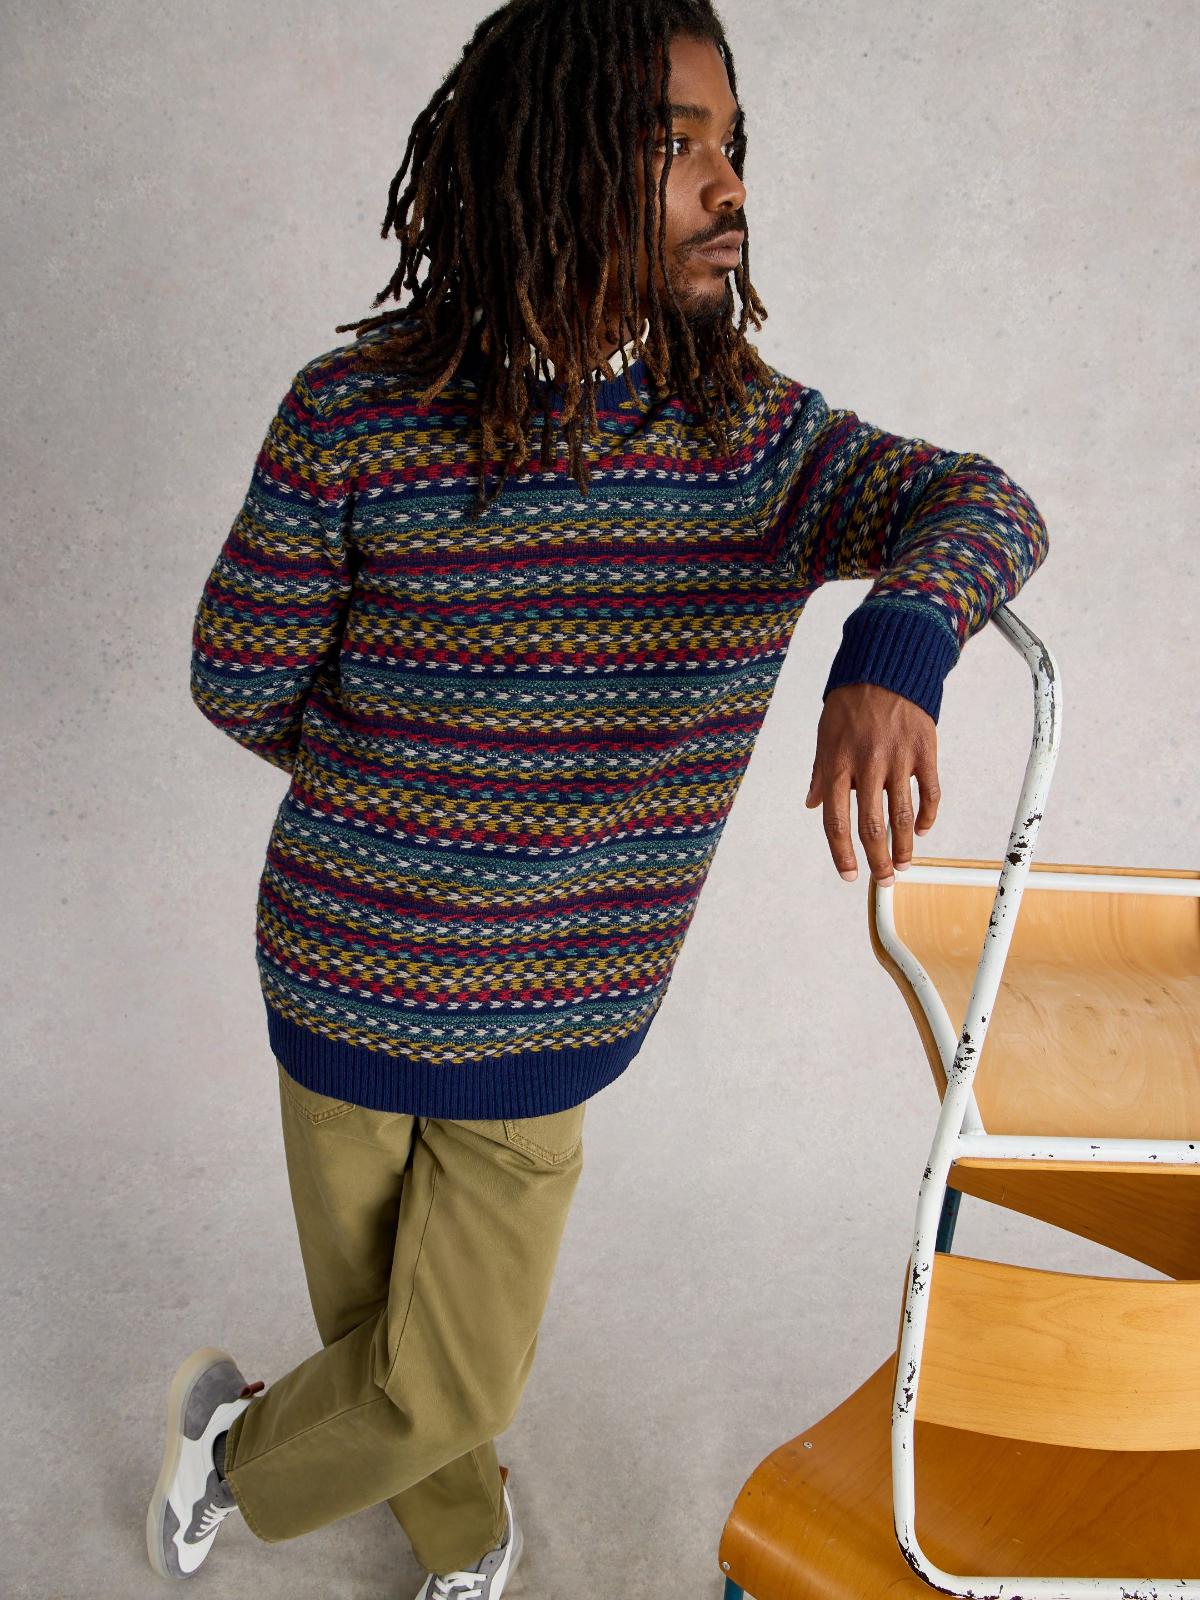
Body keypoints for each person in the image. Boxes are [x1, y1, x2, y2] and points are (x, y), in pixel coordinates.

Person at [147, 1, 1051, 1593]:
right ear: (546, 161)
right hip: (341, 964)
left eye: (731, 142)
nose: (729, 183)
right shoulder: (352, 415)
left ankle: (227, 1450)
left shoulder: (747, 438)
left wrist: (897, 641)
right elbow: (237, 675)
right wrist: (427, 784)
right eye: (673, 143)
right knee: (382, 1330)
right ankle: (466, 1534)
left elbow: (980, 501)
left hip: (551, 997)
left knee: (447, 1373)